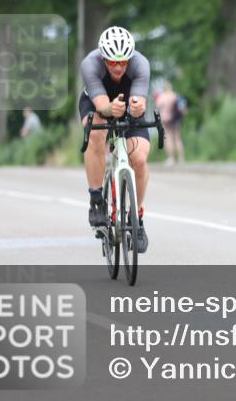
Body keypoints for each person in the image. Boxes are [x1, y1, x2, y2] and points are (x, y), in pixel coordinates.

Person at [78, 26, 151, 253]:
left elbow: (140, 103)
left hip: (127, 104)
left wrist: (137, 108)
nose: (119, 67)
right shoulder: (90, 64)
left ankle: (136, 216)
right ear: (103, 57)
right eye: (112, 62)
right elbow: (102, 106)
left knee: (138, 159)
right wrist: (111, 108)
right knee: (96, 134)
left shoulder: (140, 64)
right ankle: (96, 199)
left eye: (123, 62)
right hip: (97, 102)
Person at [155, 82, 186, 165]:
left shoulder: (162, 97)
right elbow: (181, 107)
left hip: (166, 120)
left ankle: (171, 158)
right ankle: (181, 158)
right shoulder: (175, 96)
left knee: (168, 138)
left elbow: (157, 106)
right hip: (176, 119)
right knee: (177, 138)